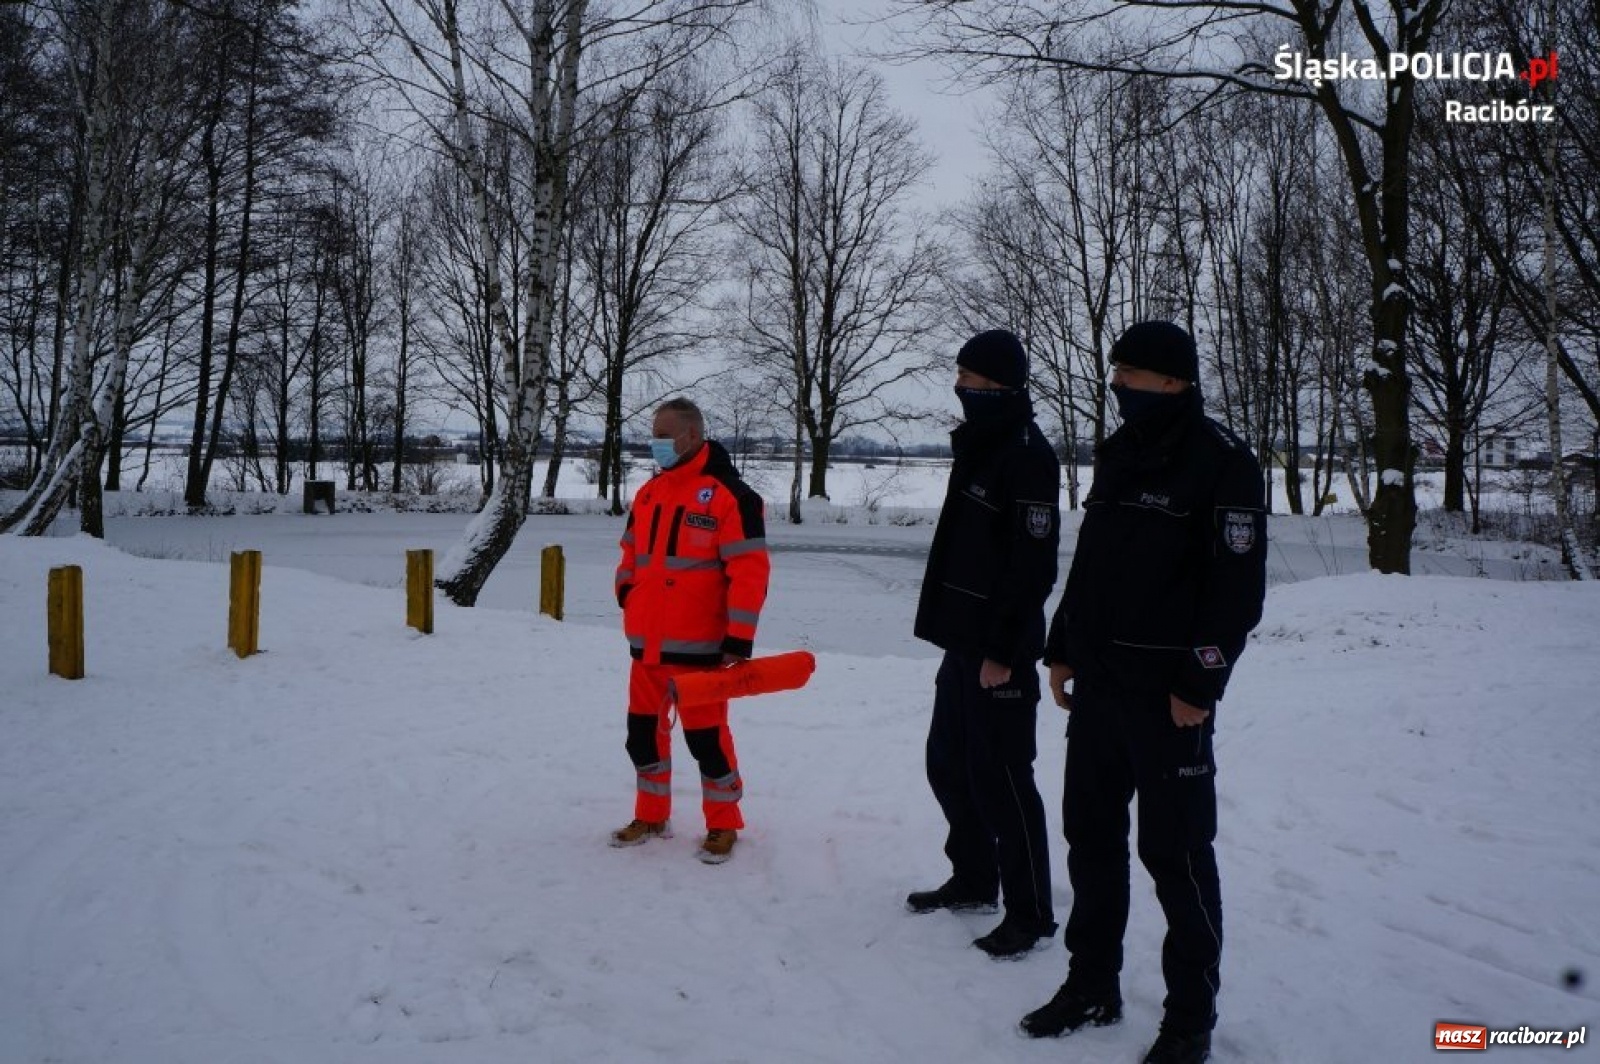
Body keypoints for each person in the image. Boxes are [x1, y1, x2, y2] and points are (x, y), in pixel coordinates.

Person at [1019, 322, 1266, 1064]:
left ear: (1171, 381)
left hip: (1169, 699)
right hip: (1100, 689)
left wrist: (1202, 683)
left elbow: (1237, 590)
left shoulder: (1223, 463)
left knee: (1178, 855)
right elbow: (1090, 562)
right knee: (1091, 841)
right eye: (1116, 372)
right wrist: (1061, 648)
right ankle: (1092, 983)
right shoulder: (1120, 453)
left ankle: (1189, 1020)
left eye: (1128, 373)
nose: (1116, 384)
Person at [907, 328, 1062, 959]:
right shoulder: (982, 445)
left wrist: (1003, 649)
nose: (959, 386)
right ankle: (974, 878)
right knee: (948, 763)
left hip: (1002, 649)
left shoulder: (1027, 455)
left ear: (998, 384)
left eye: (968, 378)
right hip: (963, 643)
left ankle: (1030, 914)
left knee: (1003, 779)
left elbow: (1033, 567)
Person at [611, 397, 770, 865]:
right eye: (653, 434)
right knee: (641, 738)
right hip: (647, 649)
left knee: (707, 743)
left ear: (692, 436)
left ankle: (723, 825)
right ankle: (651, 814)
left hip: (702, 653)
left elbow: (750, 571)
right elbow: (629, 554)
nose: (655, 444)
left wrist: (738, 640)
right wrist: (628, 594)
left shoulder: (731, 496)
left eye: (663, 435)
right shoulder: (649, 493)